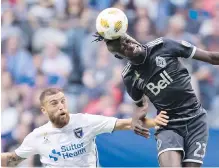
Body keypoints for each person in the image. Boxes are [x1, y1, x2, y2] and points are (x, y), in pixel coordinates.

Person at [93, 33, 219, 167]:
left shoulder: (163, 45)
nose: (129, 45)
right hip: (169, 124)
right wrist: (136, 119)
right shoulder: (129, 76)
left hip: (196, 120)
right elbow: (140, 105)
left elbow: (211, 57)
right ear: (119, 56)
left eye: (127, 40)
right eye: (123, 48)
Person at [1, 88, 169, 167]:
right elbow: (12, 159)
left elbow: (127, 123)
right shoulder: (37, 136)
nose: (61, 106)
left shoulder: (84, 121)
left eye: (62, 101)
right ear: (44, 111)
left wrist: (155, 121)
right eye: (54, 103)